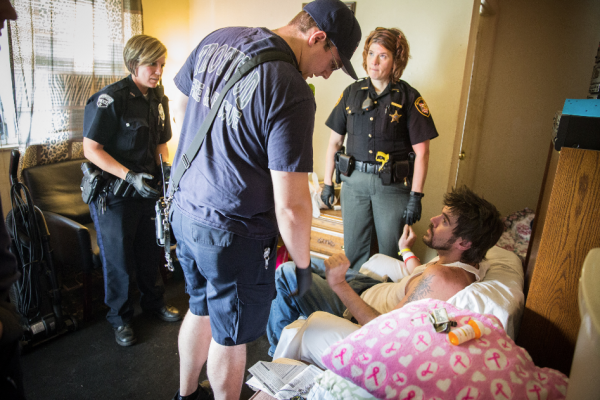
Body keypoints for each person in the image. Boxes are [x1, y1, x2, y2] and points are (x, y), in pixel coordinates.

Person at [169, 0, 361, 399]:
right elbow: (291, 205)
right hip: (232, 233)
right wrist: (304, 264)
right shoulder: (292, 88)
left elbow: (183, 107)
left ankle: (185, 395)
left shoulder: (219, 39)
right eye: (332, 61)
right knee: (231, 334)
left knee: (199, 306)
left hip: (183, 208)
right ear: (317, 37)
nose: (326, 74)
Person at [267, 186, 504, 360]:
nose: (433, 219)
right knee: (309, 264)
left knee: (286, 273)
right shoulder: (468, 263)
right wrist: (405, 249)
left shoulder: (442, 279)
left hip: (356, 308)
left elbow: (384, 330)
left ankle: (277, 365)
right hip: (372, 285)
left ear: (464, 242)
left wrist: (339, 284)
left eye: (444, 221)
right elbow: (418, 277)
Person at [82, 34, 181, 347]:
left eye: (162, 64)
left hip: (146, 192)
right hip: (114, 196)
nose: (158, 70)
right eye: (152, 64)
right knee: (120, 262)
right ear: (133, 64)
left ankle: (154, 304)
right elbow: (91, 149)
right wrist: (129, 176)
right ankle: (120, 319)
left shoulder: (157, 97)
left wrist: (164, 171)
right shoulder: (111, 99)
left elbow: (160, 142)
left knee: (149, 252)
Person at [320, 27, 439, 270]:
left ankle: (386, 305)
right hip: (354, 185)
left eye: (383, 55)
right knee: (354, 253)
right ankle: (356, 304)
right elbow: (334, 142)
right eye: (371, 53)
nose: (373, 61)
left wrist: (416, 197)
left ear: (396, 60)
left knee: (392, 252)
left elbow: (422, 152)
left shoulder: (409, 97)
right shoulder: (351, 93)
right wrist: (327, 183)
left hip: (392, 188)